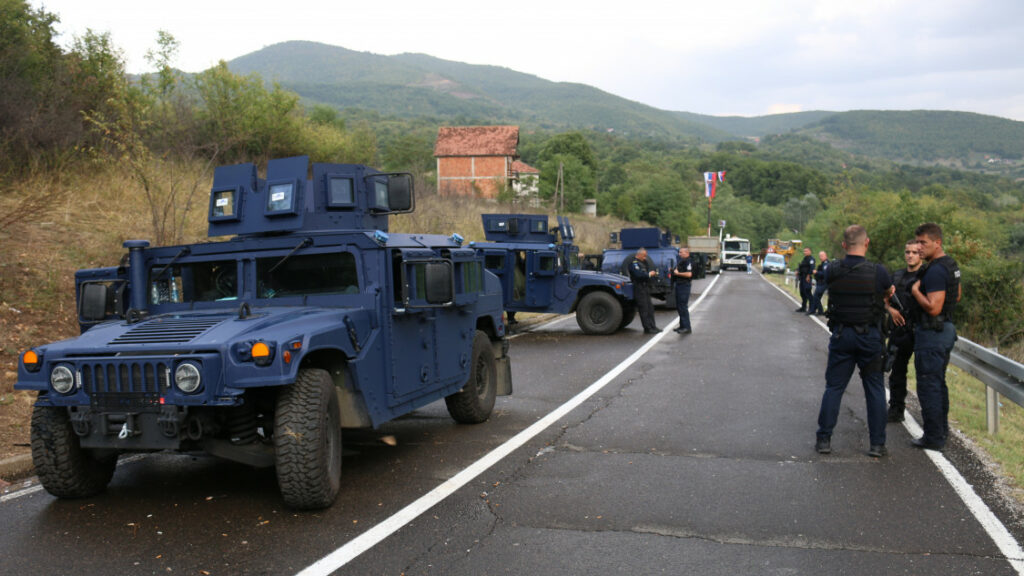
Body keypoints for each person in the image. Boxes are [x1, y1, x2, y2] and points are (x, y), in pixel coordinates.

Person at [815, 225, 894, 458]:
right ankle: (877, 444)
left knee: (834, 387)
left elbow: (826, 285)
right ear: (866, 243)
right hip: (870, 337)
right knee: (875, 389)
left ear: (843, 245)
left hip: (841, 335)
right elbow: (889, 293)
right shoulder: (878, 272)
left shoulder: (832, 269)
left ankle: (824, 440)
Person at [909, 222, 961, 451]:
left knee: (929, 386)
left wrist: (915, 291)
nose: (919, 247)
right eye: (917, 242)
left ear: (937, 243)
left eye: (923, 243)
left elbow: (933, 307)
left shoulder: (937, 269)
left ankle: (933, 437)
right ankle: (941, 431)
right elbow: (956, 295)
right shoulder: (950, 265)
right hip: (944, 331)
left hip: (933, 333)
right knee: (938, 384)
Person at [884, 240, 924, 423]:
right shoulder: (898, 275)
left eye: (914, 252)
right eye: (907, 252)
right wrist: (890, 310)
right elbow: (884, 296)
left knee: (925, 376)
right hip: (900, 330)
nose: (910, 255)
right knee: (897, 372)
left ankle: (930, 419)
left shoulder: (927, 275)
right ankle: (896, 409)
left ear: (921, 254)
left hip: (921, 331)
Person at [628, 247, 659, 334]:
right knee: (644, 309)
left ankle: (653, 326)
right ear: (639, 255)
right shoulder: (634, 264)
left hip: (645, 287)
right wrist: (649, 274)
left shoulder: (643, 263)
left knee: (650, 308)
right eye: (644, 256)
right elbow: (639, 275)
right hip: (639, 288)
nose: (645, 258)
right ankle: (647, 328)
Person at [672, 247, 693, 334]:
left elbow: (689, 274)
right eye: (679, 252)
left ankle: (687, 327)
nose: (679, 254)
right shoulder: (682, 261)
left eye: (681, 252)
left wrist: (678, 273)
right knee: (679, 306)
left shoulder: (688, 261)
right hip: (679, 285)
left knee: (683, 306)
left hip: (684, 285)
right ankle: (682, 325)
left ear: (686, 253)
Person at [808, 251, 829, 315]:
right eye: (820, 256)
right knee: (817, 297)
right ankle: (815, 310)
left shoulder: (826, 264)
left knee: (816, 296)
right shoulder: (822, 264)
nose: (820, 257)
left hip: (823, 283)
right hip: (820, 282)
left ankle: (819, 310)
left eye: (822, 256)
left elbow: (825, 274)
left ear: (826, 256)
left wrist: (816, 272)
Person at [795, 248, 815, 312]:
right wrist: (797, 271)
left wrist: (808, 276)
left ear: (810, 251)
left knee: (808, 292)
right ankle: (803, 307)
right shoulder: (804, 259)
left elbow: (812, 268)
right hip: (802, 277)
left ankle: (811, 308)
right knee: (802, 293)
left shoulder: (811, 259)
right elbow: (801, 267)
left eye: (806, 251)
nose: (805, 252)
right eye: (804, 251)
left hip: (807, 278)